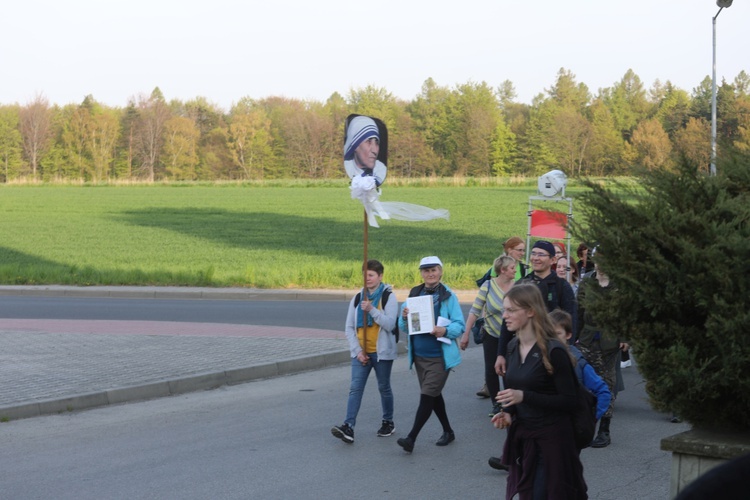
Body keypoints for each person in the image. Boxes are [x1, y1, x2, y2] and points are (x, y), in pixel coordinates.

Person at [490, 284, 587, 499]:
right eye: (504, 310)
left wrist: (524, 397)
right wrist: (510, 413)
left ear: (531, 311)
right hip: (525, 439)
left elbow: (570, 401)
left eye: (511, 310)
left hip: (554, 441)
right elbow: (520, 391)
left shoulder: (554, 351)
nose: (505, 316)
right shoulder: (512, 346)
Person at [396, 256, 465, 453]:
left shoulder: (448, 296)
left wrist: (445, 331)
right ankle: (448, 431)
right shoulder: (414, 294)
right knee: (434, 395)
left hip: (439, 356)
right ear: (421, 273)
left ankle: (411, 438)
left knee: (427, 395)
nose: (430, 273)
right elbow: (404, 328)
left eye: (434, 269)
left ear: (441, 271)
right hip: (419, 356)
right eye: (426, 270)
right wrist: (403, 317)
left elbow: (459, 325)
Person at [331, 259, 399, 444]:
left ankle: (388, 421)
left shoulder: (388, 297)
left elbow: (390, 324)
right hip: (361, 352)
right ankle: (349, 426)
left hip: (381, 352)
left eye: (371, 275)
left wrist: (372, 311)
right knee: (355, 388)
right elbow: (349, 327)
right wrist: (357, 351)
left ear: (380, 276)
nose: (367, 279)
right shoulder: (357, 298)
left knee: (383, 387)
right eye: (364, 275)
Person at [495, 240, 577, 377]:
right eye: (533, 253)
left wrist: (568, 349)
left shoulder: (561, 286)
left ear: (552, 259)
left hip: (551, 350)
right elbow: (508, 320)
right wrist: (501, 354)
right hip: (522, 349)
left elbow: (571, 321)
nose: (536, 258)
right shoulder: (521, 285)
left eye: (541, 254)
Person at [576, 258, 627, 448]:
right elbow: (578, 311)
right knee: (584, 384)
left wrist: (624, 337)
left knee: (607, 384)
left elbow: (625, 313)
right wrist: (574, 335)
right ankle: (584, 425)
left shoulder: (619, 286)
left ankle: (604, 430)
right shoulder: (587, 283)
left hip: (609, 342)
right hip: (587, 339)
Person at [460, 255, 517, 416]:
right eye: (512, 268)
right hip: (491, 334)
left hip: (512, 337)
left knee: (509, 370)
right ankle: (496, 404)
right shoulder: (488, 286)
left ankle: (509, 403)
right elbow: (474, 311)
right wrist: (465, 334)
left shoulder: (517, 287)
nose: (515, 270)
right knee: (491, 370)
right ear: (503, 270)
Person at [475, 236, 527, 399]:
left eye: (523, 250)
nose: (522, 253)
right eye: (519, 250)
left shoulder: (525, 269)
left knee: (512, 365)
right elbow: (490, 287)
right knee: (492, 363)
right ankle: (493, 391)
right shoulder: (498, 267)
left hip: (516, 325)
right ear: (509, 250)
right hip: (494, 325)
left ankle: (509, 396)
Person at [549, 309, 611, 422]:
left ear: (568, 335)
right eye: (548, 334)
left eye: (557, 334)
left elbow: (603, 391)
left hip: (570, 426)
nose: (553, 339)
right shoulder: (539, 357)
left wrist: (590, 418)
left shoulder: (578, 362)